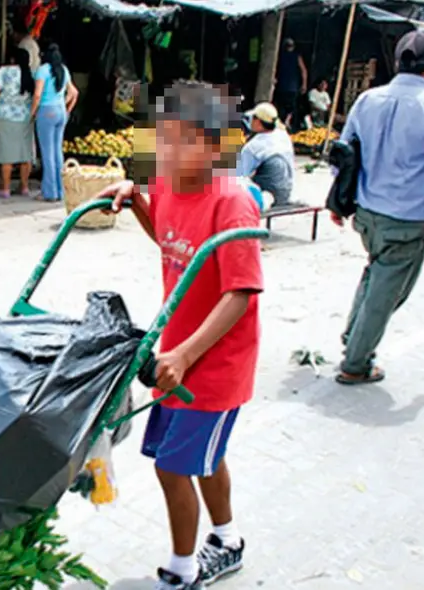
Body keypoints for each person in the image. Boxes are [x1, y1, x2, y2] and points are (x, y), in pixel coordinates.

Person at [101, 80, 263, 590]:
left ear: (216, 146)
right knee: (202, 458)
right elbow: (172, 240)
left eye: (182, 140)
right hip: (177, 354)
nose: (168, 151)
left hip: (214, 365)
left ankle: (182, 570)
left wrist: (188, 355)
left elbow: (241, 293)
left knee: (174, 468)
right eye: (162, 138)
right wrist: (136, 200)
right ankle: (228, 540)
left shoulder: (232, 204)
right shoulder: (170, 184)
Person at [333, 30, 424, 385]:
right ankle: (356, 362)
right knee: (388, 290)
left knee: (376, 274)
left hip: (367, 213)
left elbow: (343, 155)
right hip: (405, 220)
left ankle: (354, 337)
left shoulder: (368, 100)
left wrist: (337, 201)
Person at [31, 44, 78, 202]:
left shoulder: (43, 70)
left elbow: (37, 95)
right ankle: (60, 190)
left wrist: (32, 113)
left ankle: (49, 192)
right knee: (57, 151)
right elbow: (74, 92)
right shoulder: (63, 70)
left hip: (46, 111)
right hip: (60, 112)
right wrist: (65, 107)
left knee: (47, 153)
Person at [0, 48, 36, 198]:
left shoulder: (4, 71)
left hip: (6, 117)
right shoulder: (31, 73)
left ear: (12, 59)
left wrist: (4, 93)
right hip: (25, 118)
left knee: (6, 154)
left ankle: (5, 189)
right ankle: (24, 187)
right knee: (25, 153)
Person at [236, 102, 295, 208]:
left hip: (267, 197)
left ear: (258, 122)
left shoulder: (254, 146)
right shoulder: (283, 135)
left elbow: (240, 174)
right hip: (285, 193)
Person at [274, 38, 308, 127]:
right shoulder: (281, 56)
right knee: (285, 105)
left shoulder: (294, 56)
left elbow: (303, 70)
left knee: (288, 105)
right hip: (286, 85)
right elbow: (303, 70)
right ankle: (285, 121)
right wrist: (304, 84)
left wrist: (304, 84)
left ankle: (286, 121)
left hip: (289, 85)